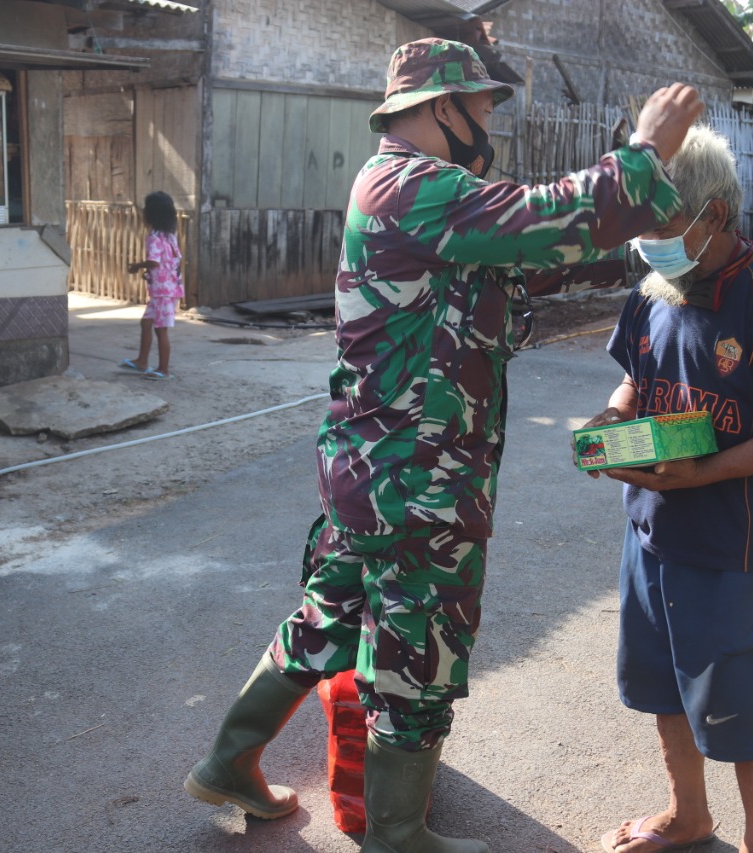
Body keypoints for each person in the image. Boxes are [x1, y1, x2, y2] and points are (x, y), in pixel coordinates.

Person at [184, 37, 704, 852]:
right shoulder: (414, 185)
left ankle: (227, 761)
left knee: (328, 617)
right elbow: (543, 219)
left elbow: (521, 259)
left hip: (373, 464)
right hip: (417, 475)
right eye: (483, 101)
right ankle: (396, 833)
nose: (493, 115)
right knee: (416, 652)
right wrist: (642, 153)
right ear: (439, 108)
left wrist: (630, 239)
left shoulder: (411, 190)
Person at [585, 126, 753, 853]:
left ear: (715, 218)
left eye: (660, 225)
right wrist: (616, 416)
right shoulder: (651, 292)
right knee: (664, 685)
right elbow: (635, 374)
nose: (647, 242)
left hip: (736, 544)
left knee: (748, 709)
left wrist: (704, 471)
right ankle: (689, 814)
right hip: (651, 533)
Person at [119, 190, 183, 380]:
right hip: (168, 287)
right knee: (146, 323)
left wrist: (137, 266)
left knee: (160, 329)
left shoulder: (154, 237)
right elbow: (172, 260)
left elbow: (154, 261)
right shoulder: (169, 235)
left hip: (163, 291)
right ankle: (142, 361)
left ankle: (163, 369)